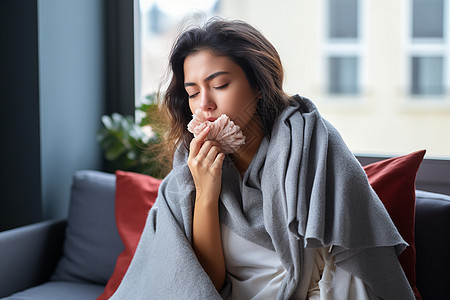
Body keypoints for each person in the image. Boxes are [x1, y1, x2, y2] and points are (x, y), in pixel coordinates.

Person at [110, 18, 415, 300]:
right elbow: (204, 285)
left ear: (257, 85)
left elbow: (350, 258)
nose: (205, 104)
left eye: (219, 85)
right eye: (192, 92)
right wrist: (205, 193)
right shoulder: (189, 169)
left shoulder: (309, 142)